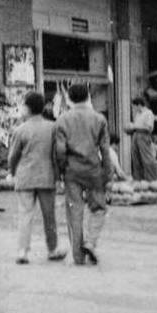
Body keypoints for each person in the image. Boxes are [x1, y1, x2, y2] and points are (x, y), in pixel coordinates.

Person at [54, 84, 111, 266]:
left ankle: (78, 256)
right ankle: (91, 242)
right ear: (88, 97)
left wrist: (62, 170)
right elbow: (105, 149)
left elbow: (60, 150)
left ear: (69, 98)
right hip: (94, 170)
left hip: (72, 170)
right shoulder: (99, 118)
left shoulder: (62, 119)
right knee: (99, 208)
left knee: (74, 212)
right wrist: (107, 172)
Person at [8, 91, 65, 265]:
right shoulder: (52, 128)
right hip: (46, 177)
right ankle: (52, 249)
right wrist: (59, 174)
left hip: (25, 177)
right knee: (49, 215)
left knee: (25, 215)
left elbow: (12, 157)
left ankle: (22, 251)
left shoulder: (20, 130)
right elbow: (58, 154)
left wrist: (12, 171)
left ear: (27, 108)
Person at [125, 97, 157, 181]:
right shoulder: (138, 114)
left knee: (147, 158)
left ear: (139, 105)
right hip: (136, 135)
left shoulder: (148, 113)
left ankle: (151, 179)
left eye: (134, 106)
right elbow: (136, 126)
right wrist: (130, 128)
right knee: (136, 158)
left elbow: (149, 127)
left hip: (144, 136)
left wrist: (134, 126)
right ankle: (138, 179)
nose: (134, 109)